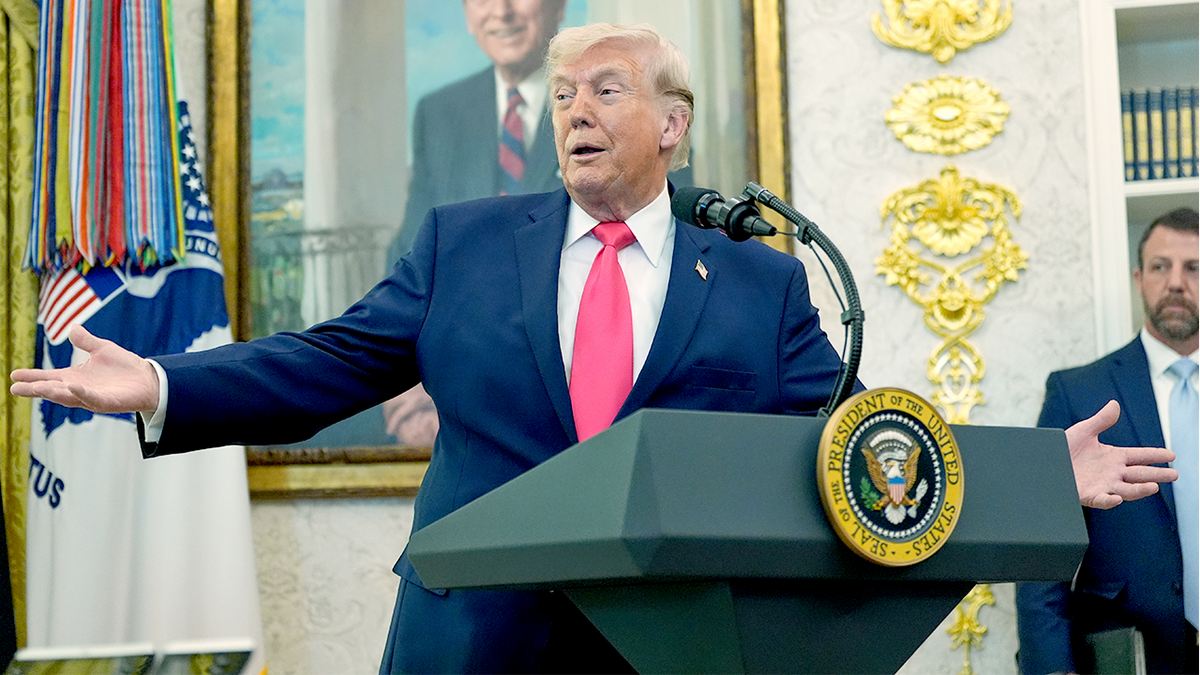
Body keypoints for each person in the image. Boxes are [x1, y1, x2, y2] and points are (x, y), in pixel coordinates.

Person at [9, 24, 1178, 674]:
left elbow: (854, 449)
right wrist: (160, 380)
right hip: (467, 641)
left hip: (663, 652)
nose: (572, 106)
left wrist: (1036, 481)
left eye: (604, 88)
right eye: (564, 90)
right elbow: (328, 362)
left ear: (671, 125)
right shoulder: (465, 245)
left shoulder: (763, 280)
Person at [1016, 207, 1199, 675]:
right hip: (1128, 655)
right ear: (1139, 278)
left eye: (1194, 267)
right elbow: (1042, 557)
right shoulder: (1078, 394)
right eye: (1161, 267)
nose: (1176, 282)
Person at [386, 0, 568, 266]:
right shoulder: (437, 114)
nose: (501, 11)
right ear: (468, 16)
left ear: (558, 6)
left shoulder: (597, 102)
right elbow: (410, 248)